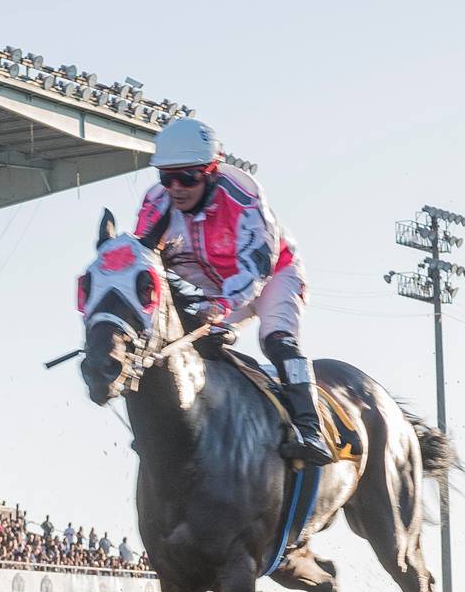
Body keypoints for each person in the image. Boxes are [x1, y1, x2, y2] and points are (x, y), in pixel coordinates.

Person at [134, 118, 331, 465]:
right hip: (215, 289)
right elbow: (142, 262)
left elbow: (257, 266)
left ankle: (310, 428)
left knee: (276, 340)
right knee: (184, 345)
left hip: (273, 276)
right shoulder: (156, 205)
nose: (176, 188)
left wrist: (222, 305)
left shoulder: (243, 196)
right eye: (167, 178)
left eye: (188, 177)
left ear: (211, 171)